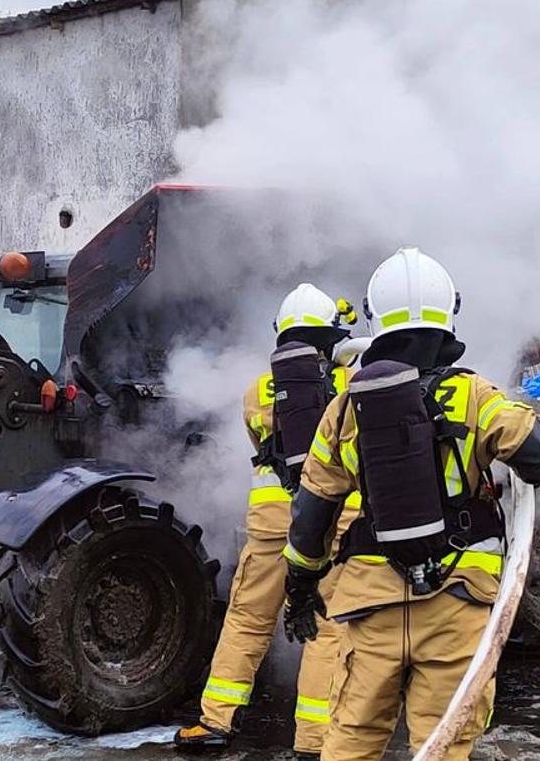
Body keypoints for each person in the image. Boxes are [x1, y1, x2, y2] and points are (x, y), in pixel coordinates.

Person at [279, 247, 540, 761]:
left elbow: (312, 512)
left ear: (375, 318)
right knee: (442, 744)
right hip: (456, 600)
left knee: (351, 737)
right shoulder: (474, 395)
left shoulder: (346, 408)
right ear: (447, 314)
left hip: (370, 602)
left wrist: (301, 586)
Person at [176, 283, 359, 760]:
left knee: (248, 617)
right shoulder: (349, 385)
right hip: (333, 521)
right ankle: (314, 741)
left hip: (271, 521)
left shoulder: (257, 390)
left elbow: (262, 446)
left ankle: (214, 721)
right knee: (326, 626)